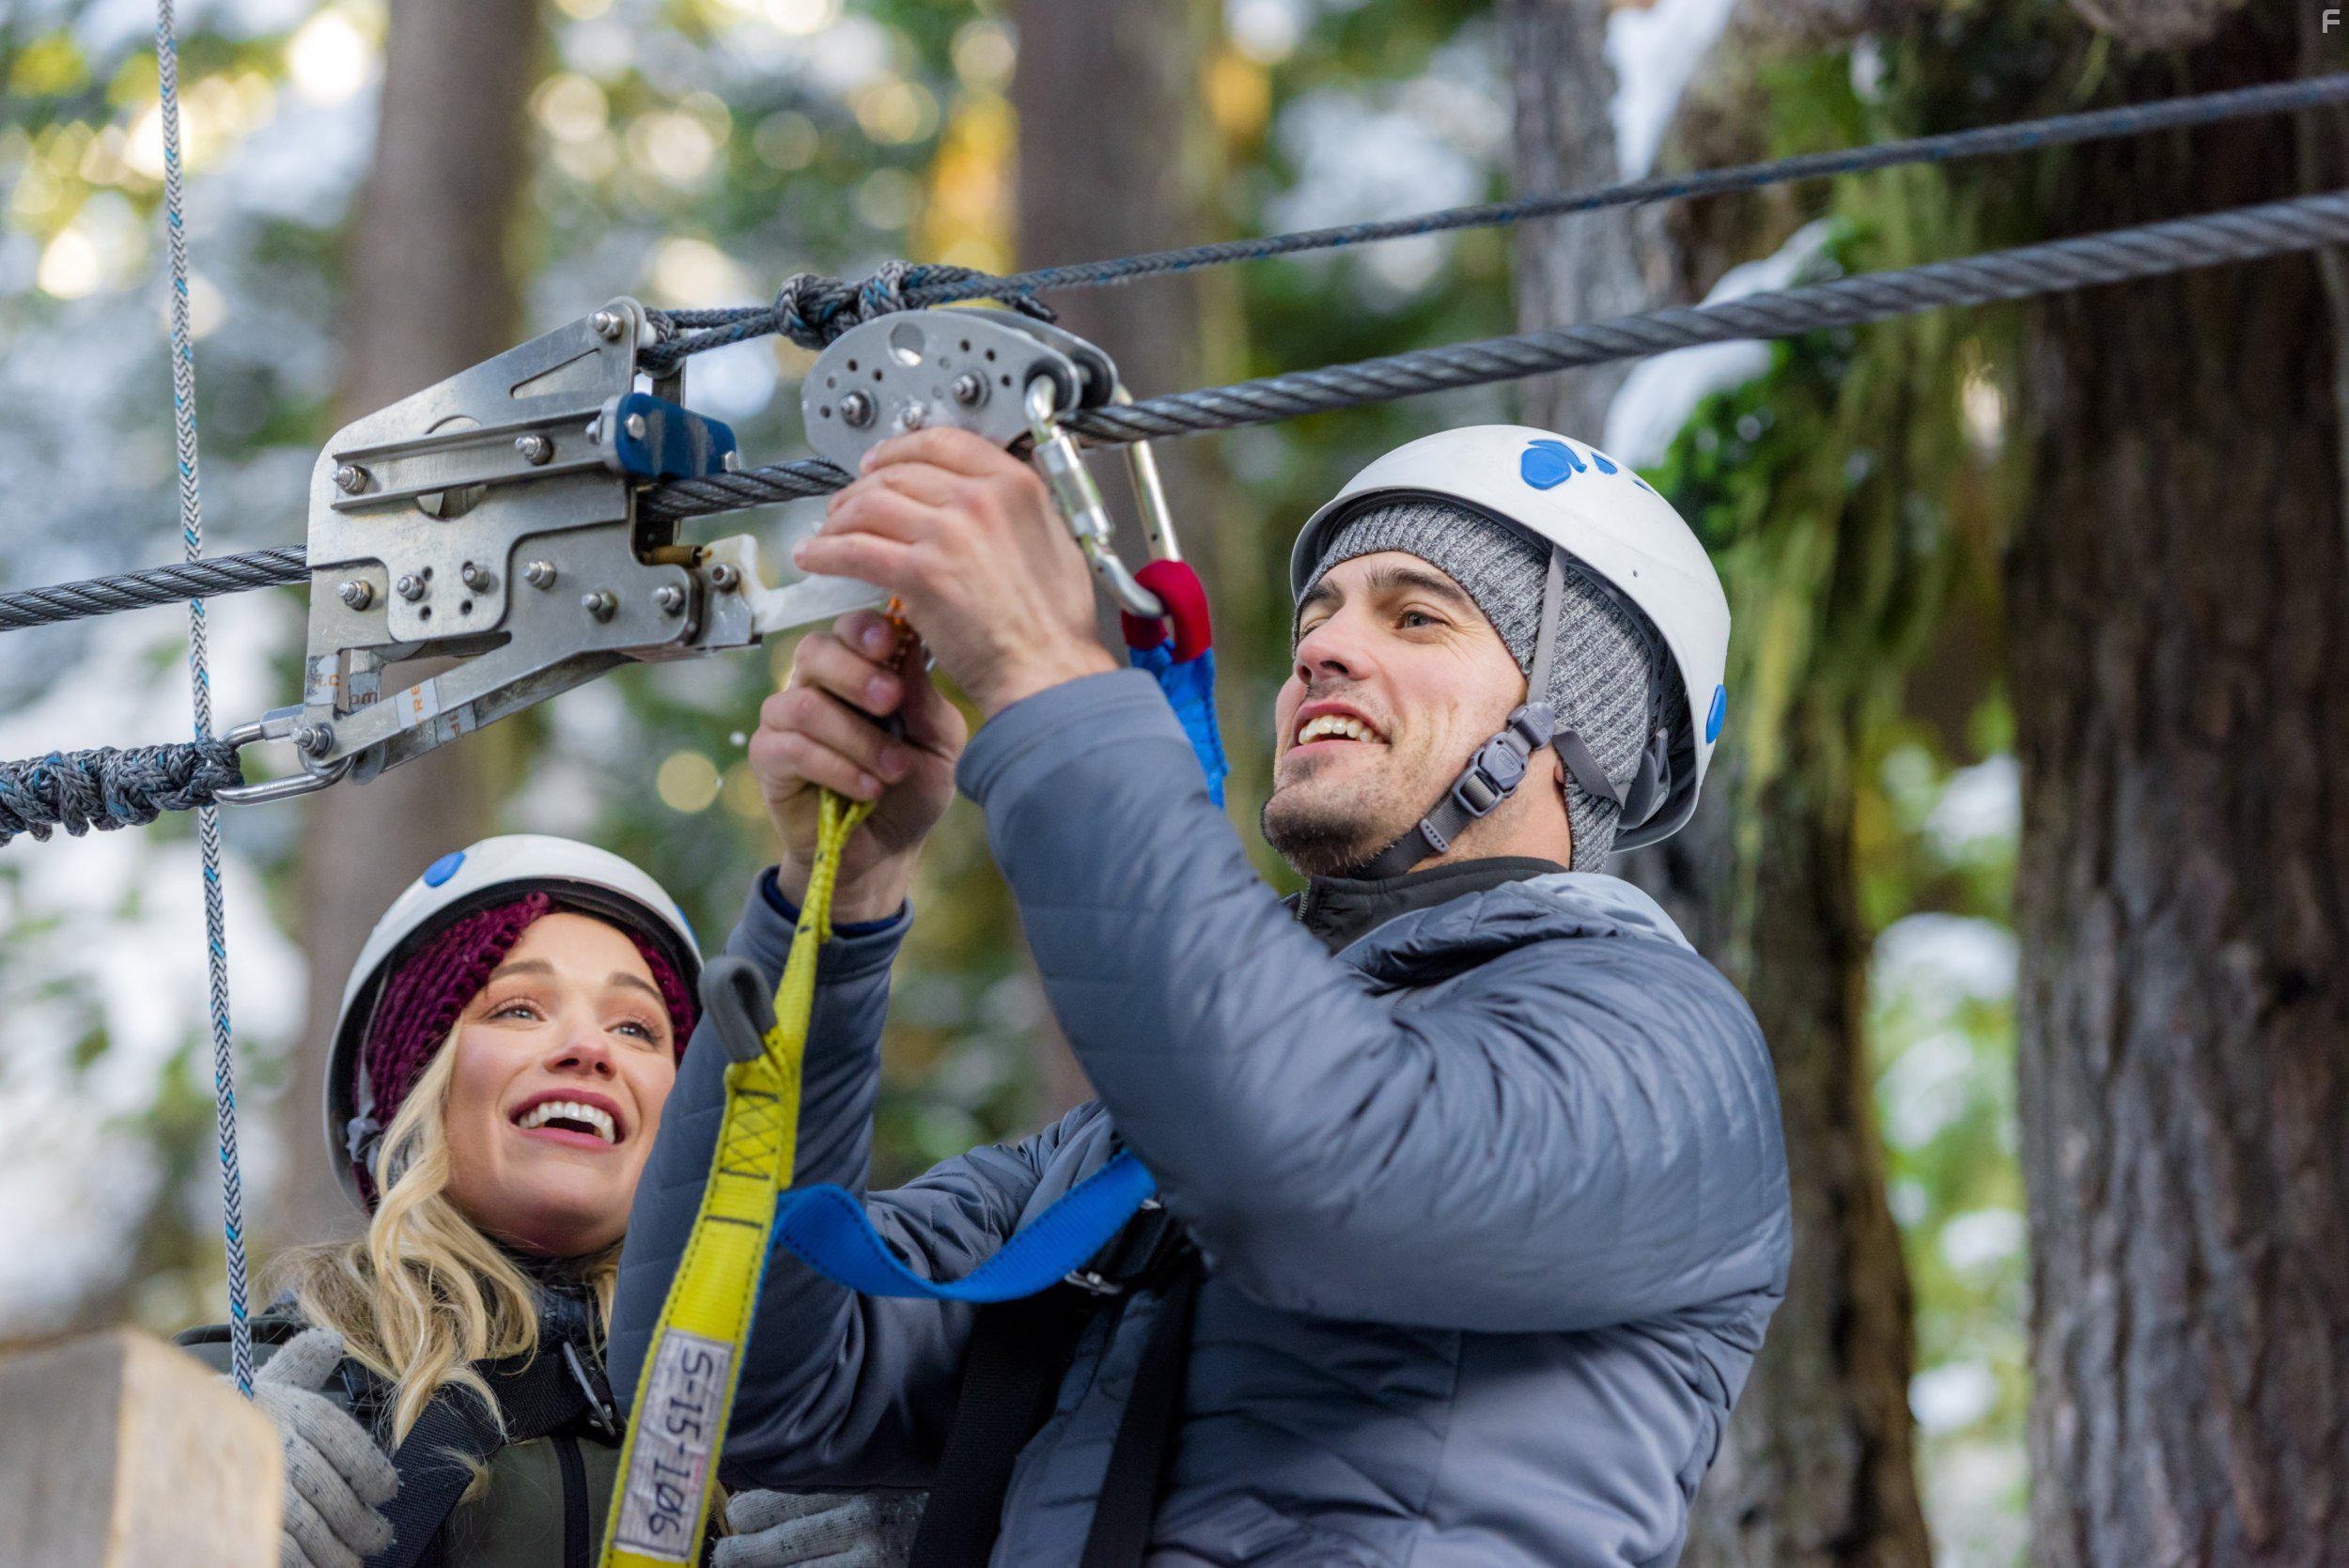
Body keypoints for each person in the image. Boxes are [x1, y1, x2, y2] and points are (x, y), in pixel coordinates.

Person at [612, 425, 1793, 1566]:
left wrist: (1046, 675)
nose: (1320, 651)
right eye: (1316, 617)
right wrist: (841, 899)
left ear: (1575, 728)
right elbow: (736, 1382)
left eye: (1416, 613)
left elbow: (1317, 1170)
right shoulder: (1114, 1158)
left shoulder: (1667, 1051)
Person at [179, 835, 919, 1568]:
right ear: (410, 1092)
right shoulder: (264, 1386)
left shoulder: (793, 1398)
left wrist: (949, 1524)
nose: (588, 1047)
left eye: (635, 1027)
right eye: (520, 1009)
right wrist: (170, 1494)